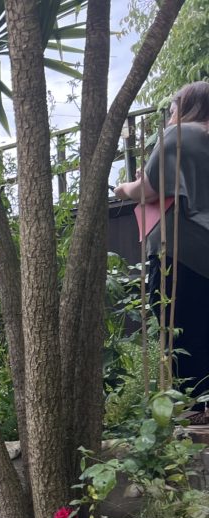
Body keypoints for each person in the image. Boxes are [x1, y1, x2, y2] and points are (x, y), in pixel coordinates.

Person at [115, 82, 209, 413]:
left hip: (183, 248)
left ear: (188, 106)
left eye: (172, 109)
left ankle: (197, 408)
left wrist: (123, 187)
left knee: (178, 324)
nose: (170, 116)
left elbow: (148, 189)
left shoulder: (179, 135)